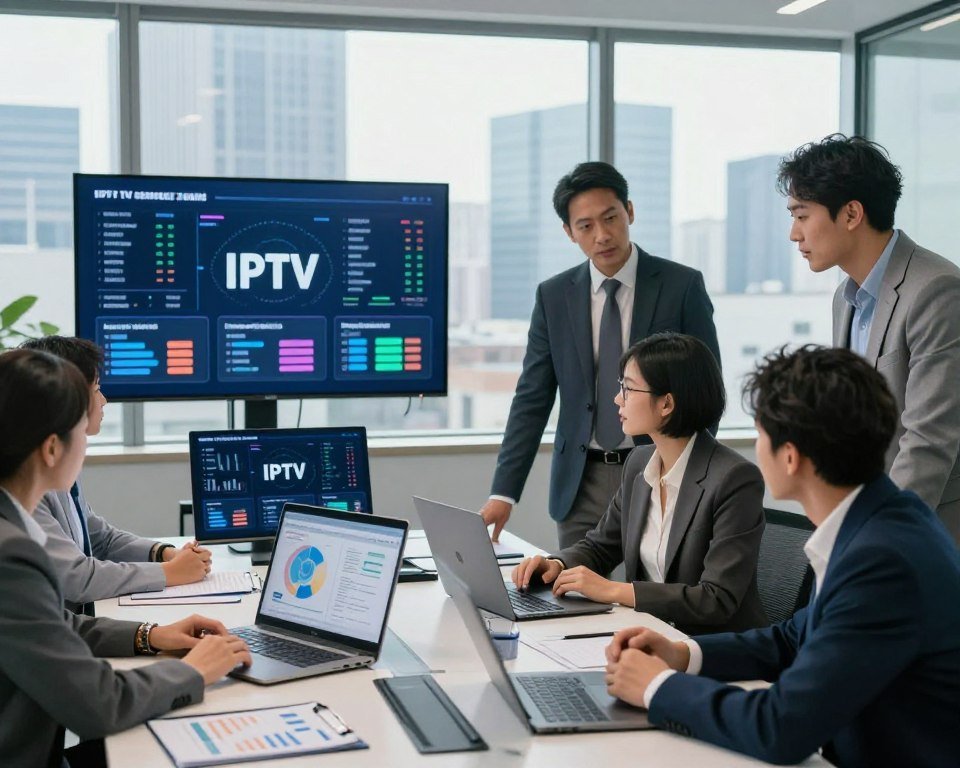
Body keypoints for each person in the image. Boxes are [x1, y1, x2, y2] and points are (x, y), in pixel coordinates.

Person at [604, 346, 960, 767]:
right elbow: (795, 637)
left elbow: (781, 727)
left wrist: (657, 687)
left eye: (760, 435)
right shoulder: (883, 519)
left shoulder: (882, 562)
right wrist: (683, 655)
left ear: (790, 457)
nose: (755, 449)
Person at [0, 348, 252, 767]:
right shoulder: (11, 557)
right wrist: (195, 670)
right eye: (82, 427)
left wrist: (151, 635)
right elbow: (100, 704)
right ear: (50, 449)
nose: (87, 439)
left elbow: (53, 625)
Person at [480, 161, 721, 549]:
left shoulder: (682, 286)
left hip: (660, 471)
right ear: (568, 232)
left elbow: (708, 391)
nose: (603, 235)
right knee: (575, 597)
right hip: (580, 482)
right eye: (586, 226)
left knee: (655, 600)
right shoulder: (553, 296)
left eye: (611, 217)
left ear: (630, 211)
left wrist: (694, 477)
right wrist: (503, 493)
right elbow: (532, 398)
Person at [511, 333, 765, 634]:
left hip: (711, 650)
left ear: (666, 403)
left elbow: (715, 599)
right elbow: (600, 547)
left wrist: (614, 591)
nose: (618, 398)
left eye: (628, 388)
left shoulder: (734, 479)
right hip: (646, 634)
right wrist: (557, 565)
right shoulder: (639, 464)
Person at [781, 134, 960, 543]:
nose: (794, 233)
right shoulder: (845, 299)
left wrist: (878, 538)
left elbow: (928, 441)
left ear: (851, 214)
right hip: (864, 525)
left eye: (802, 215)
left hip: (926, 532)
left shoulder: (936, 290)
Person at [21, 336, 210, 612]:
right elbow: (76, 577)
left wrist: (164, 554)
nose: (104, 400)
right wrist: (169, 573)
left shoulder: (61, 462)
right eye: (97, 389)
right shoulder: (28, 482)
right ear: (66, 398)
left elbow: (98, 537)